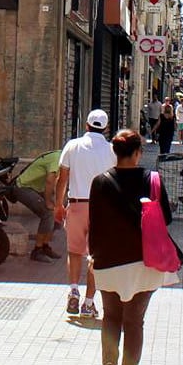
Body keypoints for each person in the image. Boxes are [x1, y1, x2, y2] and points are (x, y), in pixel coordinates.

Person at [89, 129, 182, 365]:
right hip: (145, 261)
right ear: (139, 152)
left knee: (111, 316)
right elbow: (166, 218)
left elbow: (94, 225)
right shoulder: (152, 180)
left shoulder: (100, 182)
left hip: (108, 260)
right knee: (134, 322)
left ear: (114, 152)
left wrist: (93, 255)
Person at [55, 109, 116, 317]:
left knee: (74, 252)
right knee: (95, 257)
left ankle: (73, 291)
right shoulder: (111, 151)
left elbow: (62, 178)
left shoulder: (73, 146)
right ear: (106, 128)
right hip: (101, 209)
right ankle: (88, 303)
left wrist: (58, 205)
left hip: (76, 205)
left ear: (87, 125)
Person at [14, 149, 61, 263]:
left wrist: (58, 204)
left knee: (55, 214)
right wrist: (48, 201)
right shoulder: (57, 158)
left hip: (36, 188)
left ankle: (45, 246)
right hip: (24, 187)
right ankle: (37, 250)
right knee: (47, 213)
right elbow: (50, 181)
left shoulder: (62, 158)